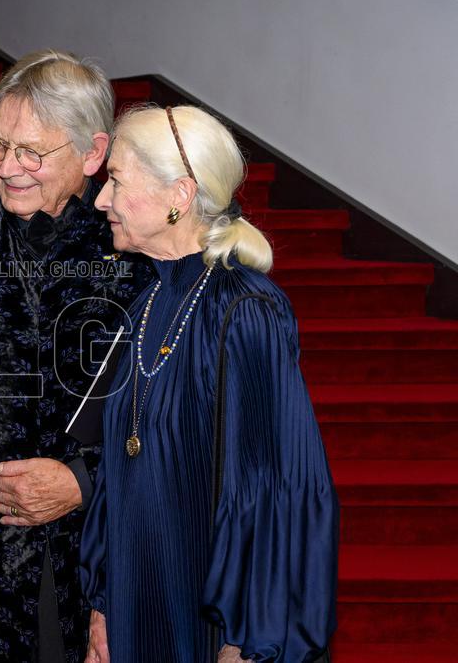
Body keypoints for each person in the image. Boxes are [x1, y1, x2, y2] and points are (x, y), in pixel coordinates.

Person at [0, 50, 152, 662]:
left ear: (93, 155)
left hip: (99, 548)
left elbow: (175, 406)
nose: (8, 167)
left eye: (32, 153)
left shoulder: (137, 250)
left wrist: (84, 481)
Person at [70, 105, 338, 663]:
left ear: (180, 195)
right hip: (137, 608)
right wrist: (102, 606)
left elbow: (274, 490)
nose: (100, 200)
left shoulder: (247, 310)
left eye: (115, 180)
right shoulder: (144, 305)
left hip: (212, 624)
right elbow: (123, 469)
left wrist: (247, 641)